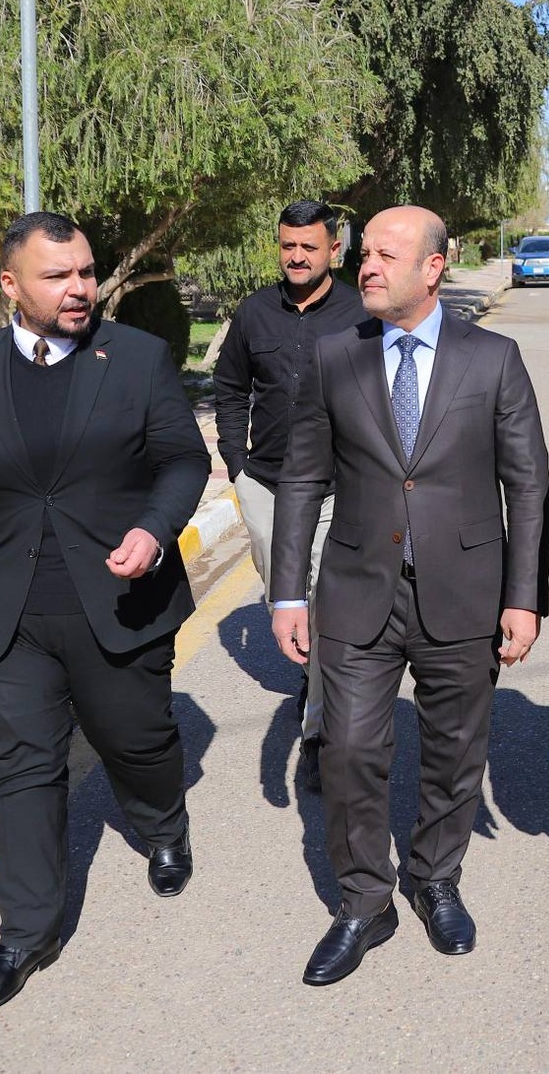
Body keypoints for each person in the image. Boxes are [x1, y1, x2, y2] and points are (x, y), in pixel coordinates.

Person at [0, 211, 210, 1019]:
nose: (80, 288)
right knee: (18, 766)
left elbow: (183, 459)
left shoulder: (135, 358)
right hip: (1, 615)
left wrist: (154, 529)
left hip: (118, 601)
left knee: (135, 738)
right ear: (11, 285)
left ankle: (162, 822)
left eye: (86, 272)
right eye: (58, 276)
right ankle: (25, 935)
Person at [269, 205, 549, 985]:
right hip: (357, 587)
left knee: (456, 751)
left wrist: (524, 597)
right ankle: (365, 901)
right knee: (349, 749)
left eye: (386, 255)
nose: (366, 265)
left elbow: (528, 485)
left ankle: (435, 878)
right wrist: (287, 593)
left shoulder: (493, 359)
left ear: (433, 267)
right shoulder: (335, 355)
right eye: (364, 253)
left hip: (465, 590)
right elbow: (302, 477)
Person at [214, 200, 366, 767]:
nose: (297, 256)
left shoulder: (360, 312)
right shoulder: (254, 312)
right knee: (285, 589)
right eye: (288, 246)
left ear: (334, 249)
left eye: (309, 246)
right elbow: (230, 388)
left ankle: (319, 733)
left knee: (325, 600)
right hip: (264, 483)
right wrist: (236, 462)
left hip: (332, 486)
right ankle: (311, 669)